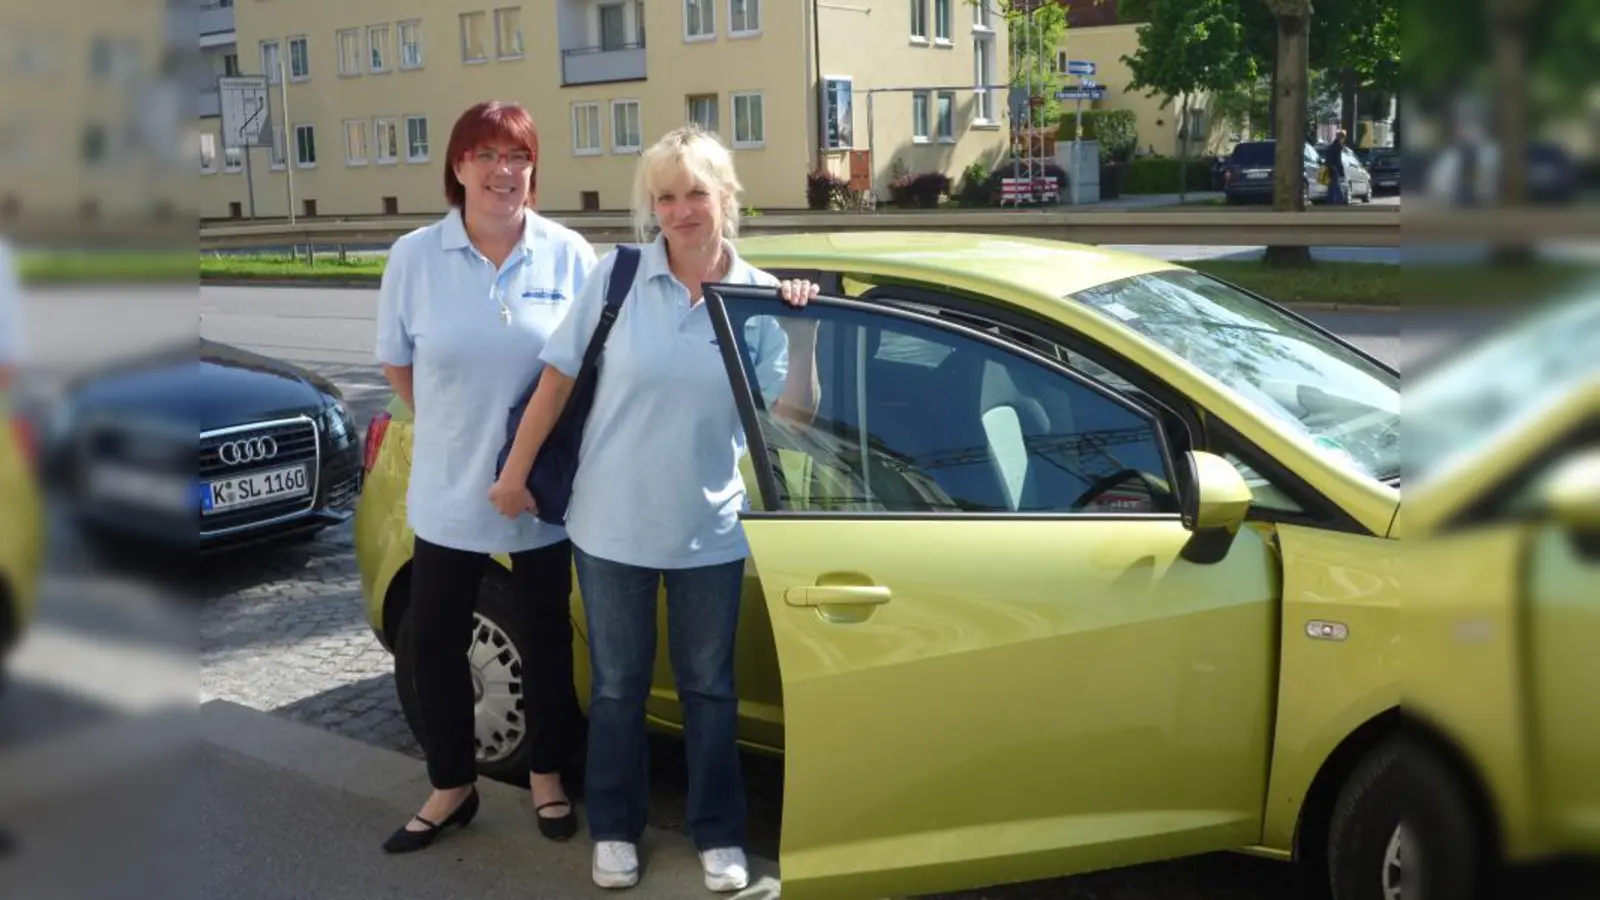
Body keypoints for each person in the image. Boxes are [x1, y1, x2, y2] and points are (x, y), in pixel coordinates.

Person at [489, 125, 820, 892]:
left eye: (695, 193)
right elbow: (556, 384)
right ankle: (614, 826)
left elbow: (791, 423)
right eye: (665, 198)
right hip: (610, 527)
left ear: (727, 197)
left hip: (708, 531)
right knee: (615, 687)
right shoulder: (618, 278)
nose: (680, 211)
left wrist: (802, 340)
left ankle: (718, 834)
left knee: (710, 692)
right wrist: (513, 474)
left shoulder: (758, 298)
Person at [374, 100, 595, 854]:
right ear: (458, 166)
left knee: (544, 637)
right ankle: (451, 785)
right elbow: (398, 366)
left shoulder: (569, 254)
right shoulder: (415, 257)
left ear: (534, 170)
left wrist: (526, 459)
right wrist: (459, 430)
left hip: (541, 494)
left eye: (519, 157)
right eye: (487, 155)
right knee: (434, 641)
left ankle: (547, 776)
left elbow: (586, 372)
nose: (504, 171)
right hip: (448, 489)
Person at [1324, 129, 1349, 204]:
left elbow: (1327, 157)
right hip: (1334, 168)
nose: (1344, 140)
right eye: (1344, 138)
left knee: (1331, 185)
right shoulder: (1338, 147)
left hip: (1328, 167)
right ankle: (1340, 200)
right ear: (1342, 138)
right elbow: (1338, 160)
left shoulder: (1330, 146)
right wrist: (1341, 171)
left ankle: (1330, 201)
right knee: (1335, 185)